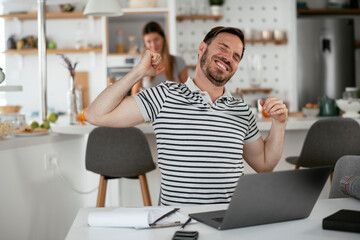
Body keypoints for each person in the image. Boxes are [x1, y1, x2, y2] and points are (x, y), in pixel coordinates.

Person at [85, 26, 288, 206]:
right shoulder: (164, 95)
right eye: (223, 47)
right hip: (176, 220)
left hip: (228, 220)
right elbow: (96, 115)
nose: (229, 57)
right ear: (202, 48)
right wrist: (139, 72)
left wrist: (279, 124)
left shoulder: (241, 110)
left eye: (236, 56)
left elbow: (264, 164)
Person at [131, 21, 188, 95]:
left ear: (163, 38)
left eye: (156, 39)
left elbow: (187, 91)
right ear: (145, 44)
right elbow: (134, 94)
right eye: (148, 41)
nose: (153, 44)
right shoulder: (140, 63)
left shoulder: (178, 62)